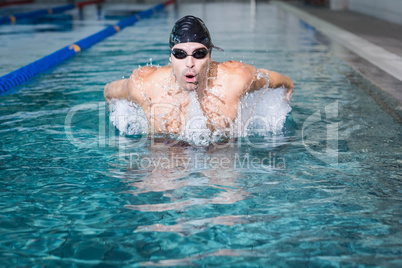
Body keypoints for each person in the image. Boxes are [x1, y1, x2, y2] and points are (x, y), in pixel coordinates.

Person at [104, 15, 294, 136]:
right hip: (166, 152)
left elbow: (282, 82)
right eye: (180, 54)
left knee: (230, 197)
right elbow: (109, 92)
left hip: (220, 151)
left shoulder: (235, 78)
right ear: (170, 57)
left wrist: (283, 105)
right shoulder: (145, 84)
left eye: (199, 54)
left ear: (210, 56)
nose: (189, 63)